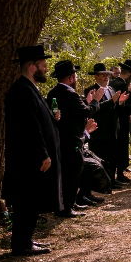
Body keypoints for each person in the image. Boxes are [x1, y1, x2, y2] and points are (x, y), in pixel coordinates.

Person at [4, 45, 61, 256]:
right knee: (26, 201)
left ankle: (25, 240)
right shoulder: (21, 91)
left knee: (30, 201)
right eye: (43, 65)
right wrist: (42, 153)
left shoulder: (29, 88)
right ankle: (21, 244)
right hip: (27, 159)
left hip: (31, 158)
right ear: (31, 66)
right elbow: (28, 127)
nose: (46, 69)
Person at [46, 60, 99, 216]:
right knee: (73, 172)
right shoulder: (70, 93)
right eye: (74, 75)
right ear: (71, 78)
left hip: (59, 138)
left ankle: (70, 203)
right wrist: (95, 101)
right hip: (72, 139)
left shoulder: (52, 92)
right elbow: (86, 112)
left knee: (68, 173)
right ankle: (67, 207)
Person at [83, 62, 128, 184]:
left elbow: (115, 109)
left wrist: (119, 102)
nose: (106, 77)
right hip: (100, 131)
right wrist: (111, 102)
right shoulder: (90, 90)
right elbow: (93, 110)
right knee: (101, 157)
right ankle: (103, 183)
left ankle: (112, 180)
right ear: (96, 76)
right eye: (103, 75)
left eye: (107, 75)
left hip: (113, 128)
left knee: (113, 155)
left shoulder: (112, 89)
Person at [111, 59, 131, 182]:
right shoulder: (122, 85)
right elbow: (123, 105)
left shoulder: (112, 83)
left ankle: (116, 173)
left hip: (114, 120)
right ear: (130, 74)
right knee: (121, 146)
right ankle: (120, 174)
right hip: (121, 120)